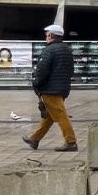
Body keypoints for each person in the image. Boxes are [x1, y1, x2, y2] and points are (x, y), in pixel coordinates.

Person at [22, 24, 77, 152]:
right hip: (62, 88)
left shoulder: (49, 50)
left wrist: (36, 83)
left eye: (47, 34)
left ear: (51, 35)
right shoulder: (66, 50)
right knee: (50, 116)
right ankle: (35, 139)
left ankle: (71, 142)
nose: (46, 36)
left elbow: (42, 71)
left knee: (60, 115)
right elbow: (71, 71)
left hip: (50, 89)